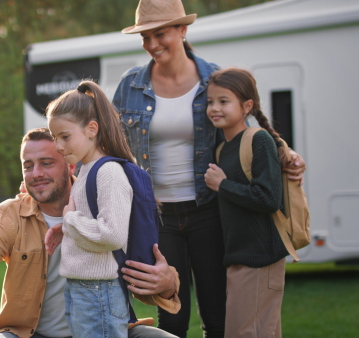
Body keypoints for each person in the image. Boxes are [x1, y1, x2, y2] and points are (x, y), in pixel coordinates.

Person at [112, 1, 306, 337]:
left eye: (160, 34)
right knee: (171, 316)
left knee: (217, 316)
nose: (152, 44)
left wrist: (287, 154)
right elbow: (112, 143)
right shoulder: (130, 85)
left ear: (182, 31)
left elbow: (245, 128)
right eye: (145, 37)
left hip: (209, 211)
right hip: (157, 216)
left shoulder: (211, 80)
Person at [0, 127, 181, 338]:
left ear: (71, 165)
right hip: (29, 334)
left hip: (108, 328)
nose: (36, 173)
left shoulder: (105, 203)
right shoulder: (9, 215)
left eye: (46, 163)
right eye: (28, 166)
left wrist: (168, 283)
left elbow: (150, 280)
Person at [45, 80, 144, 337]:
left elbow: (112, 234)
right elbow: (88, 220)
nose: (58, 146)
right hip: (84, 288)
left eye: (65, 137)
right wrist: (65, 229)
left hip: (98, 292)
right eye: (55, 138)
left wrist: (70, 222)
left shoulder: (108, 172)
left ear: (91, 129)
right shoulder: (86, 170)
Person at [204, 67, 289, 337]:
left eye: (223, 101)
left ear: (247, 106)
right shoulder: (222, 148)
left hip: (259, 260)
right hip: (240, 258)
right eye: (210, 102)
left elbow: (268, 198)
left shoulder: (258, 140)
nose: (214, 108)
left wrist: (223, 185)